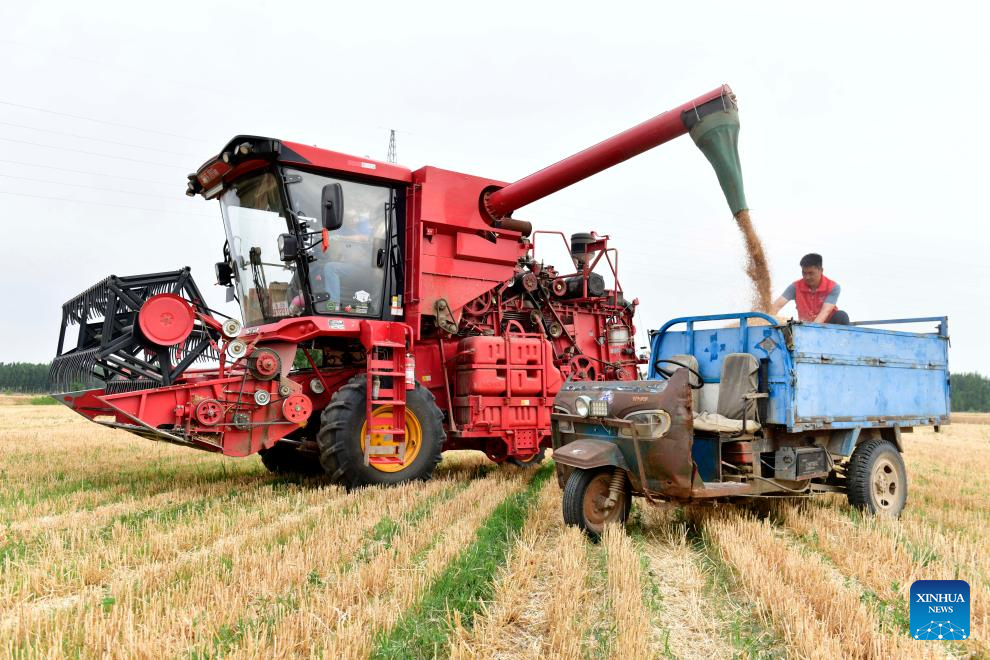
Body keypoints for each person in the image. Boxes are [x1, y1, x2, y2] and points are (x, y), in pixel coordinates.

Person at [769, 253, 849, 324]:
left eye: (811, 273)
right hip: (805, 326)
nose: (807, 277)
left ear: (821, 270)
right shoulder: (795, 287)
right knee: (788, 323)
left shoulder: (833, 287)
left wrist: (812, 331)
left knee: (841, 316)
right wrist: (763, 320)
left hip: (827, 326)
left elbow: (825, 312)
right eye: (804, 273)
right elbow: (777, 306)